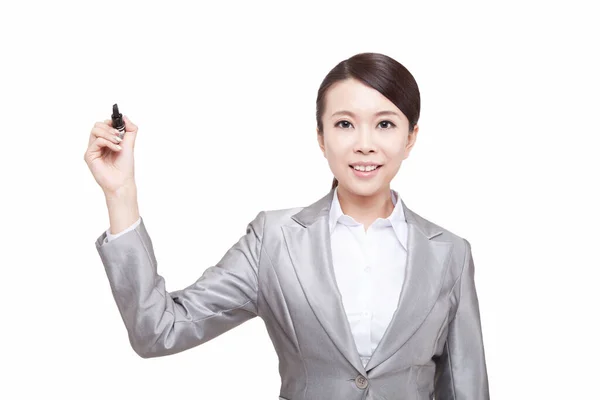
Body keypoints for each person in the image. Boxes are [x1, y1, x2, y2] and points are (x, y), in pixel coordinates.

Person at [84, 52, 489, 399]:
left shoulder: (450, 254)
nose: (365, 143)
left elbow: (467, 389)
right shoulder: (274, 241)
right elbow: (157, 331)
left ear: (411, 137)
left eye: (385, 124)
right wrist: (121, 193)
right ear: (321, 136)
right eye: (345, 124)